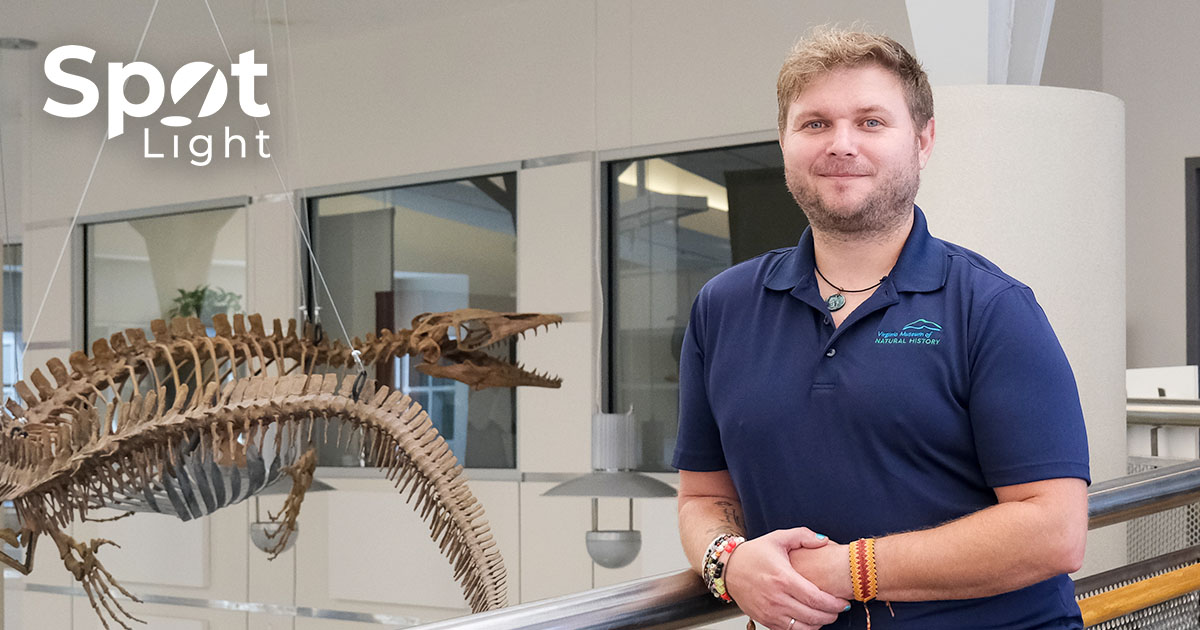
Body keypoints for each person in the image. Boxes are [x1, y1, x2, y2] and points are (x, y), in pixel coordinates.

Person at [673, 28, 1090, 630]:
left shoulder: (991, 308)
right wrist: (729, 563)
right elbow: (703, 497)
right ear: (784, 142)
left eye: (871, 122)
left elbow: (1054, 530)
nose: (841, 145)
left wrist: (850, 569)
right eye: (815, 123)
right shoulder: (724, 308)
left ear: (922, 141)